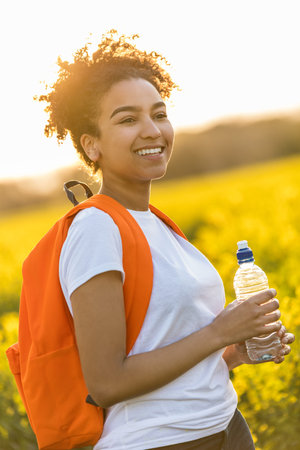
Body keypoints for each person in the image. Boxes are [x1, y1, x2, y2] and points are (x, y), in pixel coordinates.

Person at [38, 31, 294, 450]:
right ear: (92, 144)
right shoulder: (96, 227)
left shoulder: (157, 223)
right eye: (127, 119)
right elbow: (106, 383)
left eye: (159, 114)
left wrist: (231, 353)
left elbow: (165, 351)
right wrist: (218, 333)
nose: (151, 130)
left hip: (226, 427)